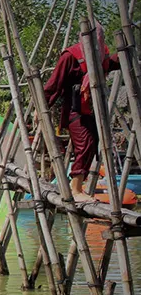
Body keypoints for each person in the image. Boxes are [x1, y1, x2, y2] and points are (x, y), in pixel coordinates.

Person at [43, 24, 120, 201]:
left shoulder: (102, 55)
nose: (96, 43)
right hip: (74, 109)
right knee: (84, 144)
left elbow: (111, 63)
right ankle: (76, 189)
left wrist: (125, 53)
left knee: (92, 144)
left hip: (92, 110)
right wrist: (43, 108)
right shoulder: (71, 56)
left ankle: (77, 185)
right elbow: (54, 85)